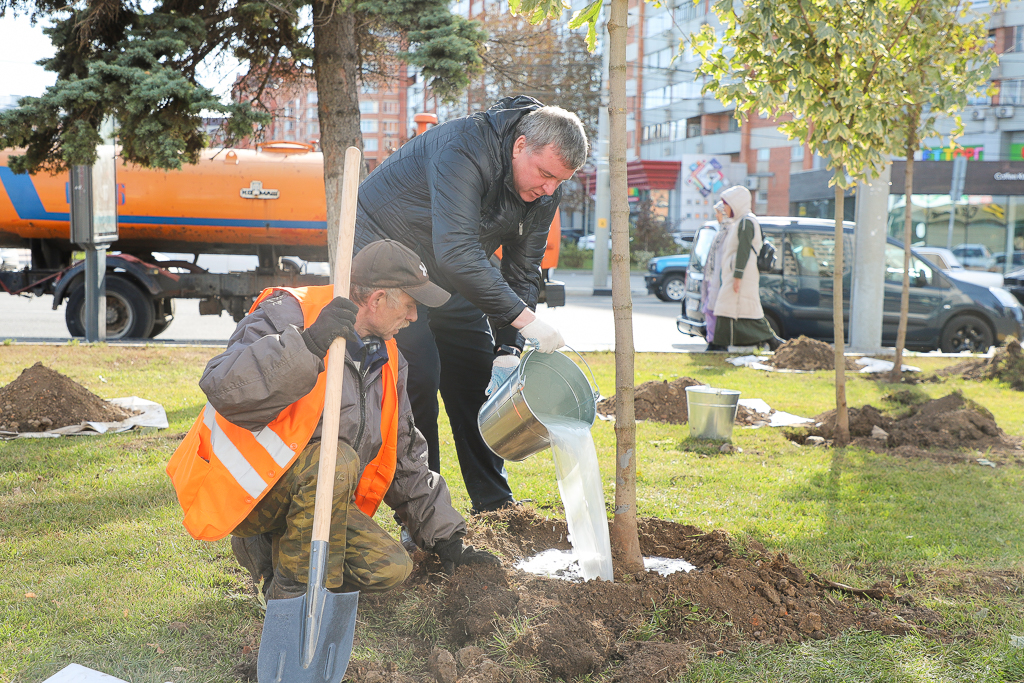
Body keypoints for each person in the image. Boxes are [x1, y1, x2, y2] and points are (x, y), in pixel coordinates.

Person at [166, 240, 500, 601]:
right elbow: (223, 387)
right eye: (409, 305)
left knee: (392, 568)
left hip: (319, 500)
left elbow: (403, 454)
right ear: (375, 300)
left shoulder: (389, 357)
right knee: (335, 458)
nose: (414, 317)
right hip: (245, 492)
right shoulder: (288, 313)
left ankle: (280, 549)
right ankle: (288, 595)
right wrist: (307, 346)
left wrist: (446, 538)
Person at [353, 95, 590, 514]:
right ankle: (422, 511)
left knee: (477, 373)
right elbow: (457, 252)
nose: (550, 189)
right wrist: (526, 320)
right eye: (546, 175)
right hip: (388, 254)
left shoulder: (543, 191)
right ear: (520, 146)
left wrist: (509, 349)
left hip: (451, 267)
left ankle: (494, 504)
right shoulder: (462, 148)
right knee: (418, 375)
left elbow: (521, 271)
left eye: (561, 181)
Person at [709, 185, 783, 351]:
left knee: (731, 308)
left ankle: (718, 345)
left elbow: (743, 250)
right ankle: (769, 341)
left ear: (736, 204)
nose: (724, 208)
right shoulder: (743, 222)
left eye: (726, 204)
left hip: (741, 275)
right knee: (741, 310)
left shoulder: (746, 222)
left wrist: (737, 276)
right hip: (740, 274)